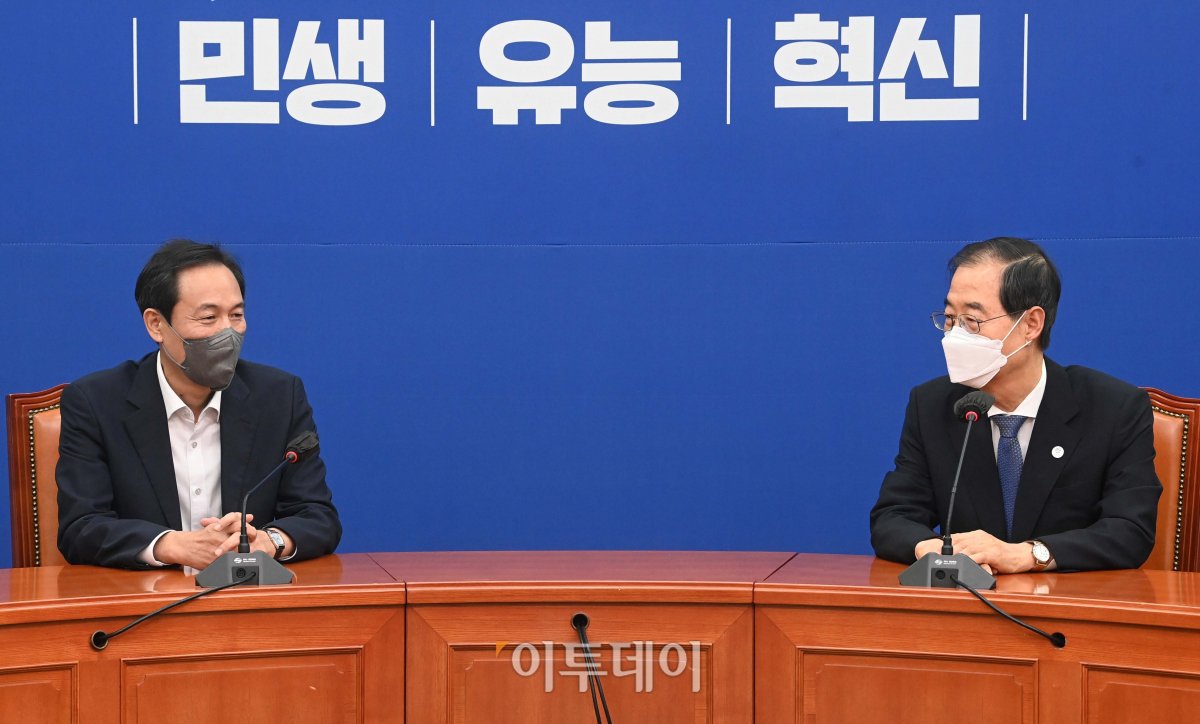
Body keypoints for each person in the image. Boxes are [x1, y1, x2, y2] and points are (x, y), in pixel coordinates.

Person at [870, 237, 1161, 573]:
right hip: (970, 597)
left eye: (972, 320)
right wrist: (936, 551)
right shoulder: (933, 405)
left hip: (1068, 600)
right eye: (950, 317)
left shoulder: (1114, 408)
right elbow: (893, 516)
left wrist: (1027, 555)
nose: (954, 336)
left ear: (1031, 324)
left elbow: (1130, 531)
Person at [57, 239, 341, 570]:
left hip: (243, 592)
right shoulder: (96, 403)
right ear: (156, 324)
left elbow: (318, 516)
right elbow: (81, 528)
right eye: (208, 317)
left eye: (236, 315)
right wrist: (171, 545)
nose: (228, 333)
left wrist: (270, 541)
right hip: (147, 593)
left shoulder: (279, 397)